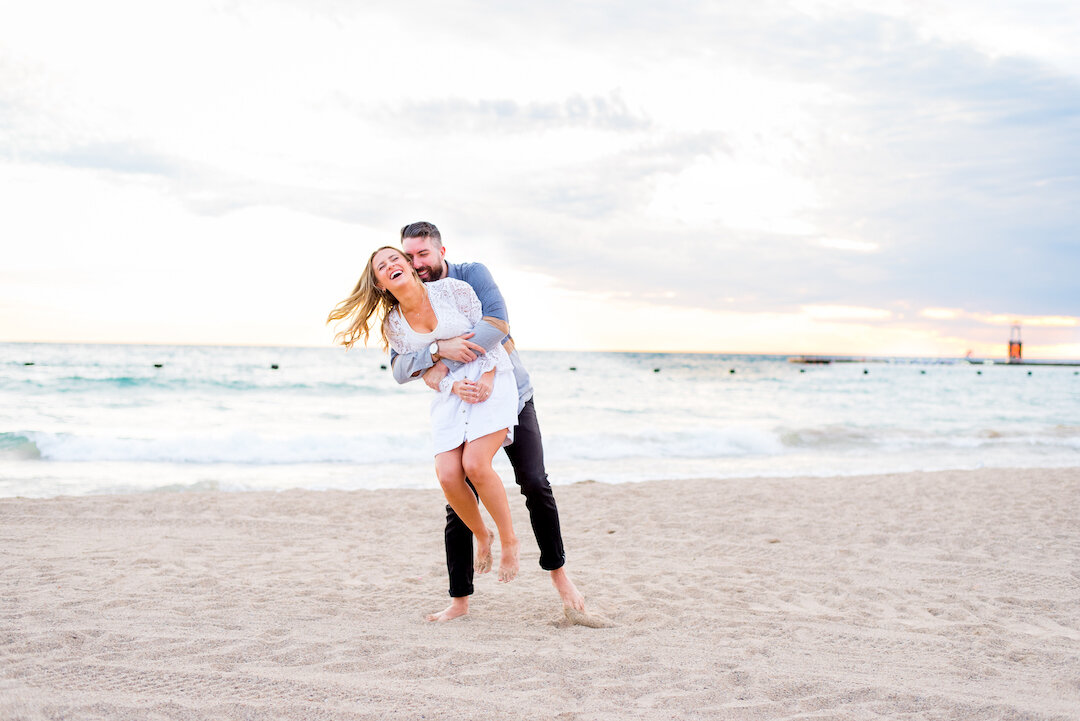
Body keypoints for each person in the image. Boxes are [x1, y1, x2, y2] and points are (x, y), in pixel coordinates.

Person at [392, 221, 586, 622]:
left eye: (423, 254)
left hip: (510, 393)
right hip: (463, 406)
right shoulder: (411, 296)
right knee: (457, 494)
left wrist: (439, 360)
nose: (417, 263)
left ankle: (561, 576)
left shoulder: (470, 276)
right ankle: (460, 600)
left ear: (441, 251)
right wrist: (433, 350)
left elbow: (496, 325)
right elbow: (399, 364)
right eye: (409, 257)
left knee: (534, 483)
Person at [328, 246, 521, 586]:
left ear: (411, 267)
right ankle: (482, 534)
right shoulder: (394, 325)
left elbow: (494, 335)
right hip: (449, 391)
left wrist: (486, 376)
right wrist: (442, 366)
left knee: (476, 465)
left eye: (395, 259)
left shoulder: (452, 290)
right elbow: (410, 371)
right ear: (380, 285)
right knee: (447, 474)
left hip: (491, 376)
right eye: (381, 267)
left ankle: (509, 540)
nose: (391, 266)